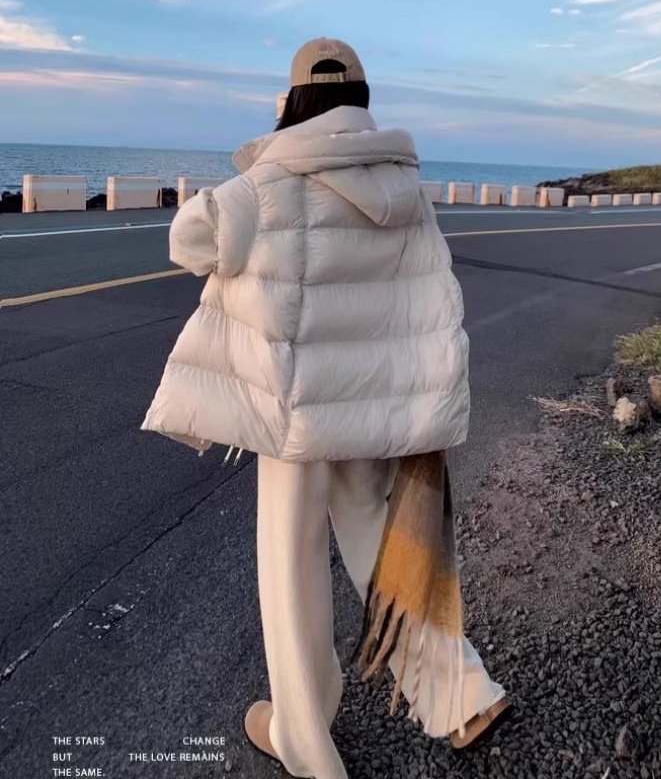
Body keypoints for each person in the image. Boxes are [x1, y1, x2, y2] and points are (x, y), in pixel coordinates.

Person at [141, 38, 510, 779]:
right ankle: (462, 695)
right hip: (374, 409)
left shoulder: (262, 185)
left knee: (291, 574)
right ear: (361, 100)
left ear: (294, 103)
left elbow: (187, 241)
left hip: (295, 416)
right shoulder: (403, 185)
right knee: (383, 547)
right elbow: (431, 295)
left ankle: (303, 741)